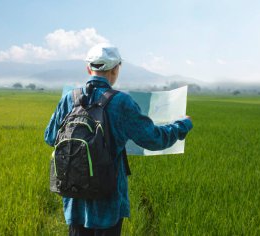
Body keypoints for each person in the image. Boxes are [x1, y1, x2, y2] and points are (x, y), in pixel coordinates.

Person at [44, 43, 193, 236]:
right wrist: (182, 126)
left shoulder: (69, 99)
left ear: (88, 68)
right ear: (116, 69)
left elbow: (50, 137)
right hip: (108, 203)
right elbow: (155, 139)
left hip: (74, 200)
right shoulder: (121, 102)